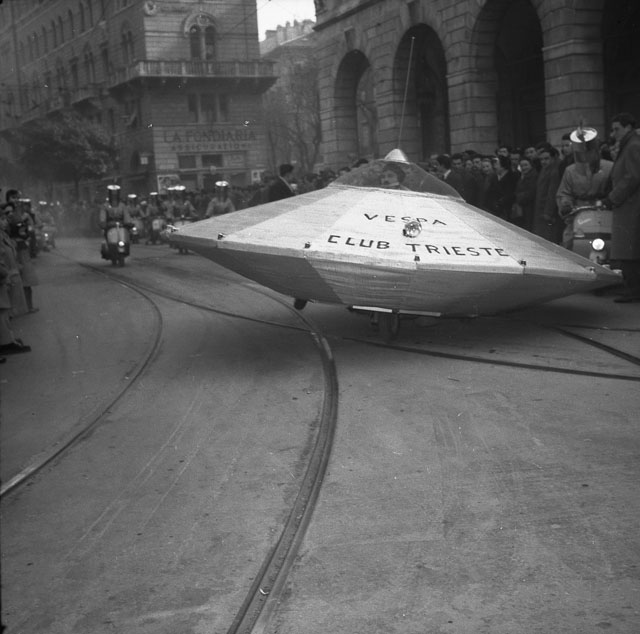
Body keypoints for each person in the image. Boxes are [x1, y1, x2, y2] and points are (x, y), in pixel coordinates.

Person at [602, 112, 640, 302]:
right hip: (628, 205)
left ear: (628, 127)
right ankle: (632, 288)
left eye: (617, 129)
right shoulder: (630, 144)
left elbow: (633, 176)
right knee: (629, 248)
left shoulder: (633, 145)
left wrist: (613, 197)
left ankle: (634, 289)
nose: (613, 133)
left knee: (629, 248)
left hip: (630, 205)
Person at [556, 126, 613, 248]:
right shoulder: (570, 170)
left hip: (605, 212)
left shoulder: (609, 167)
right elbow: (564, 193)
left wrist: (608, 201)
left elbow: (615, 189)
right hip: (578, 214)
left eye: (588, 151)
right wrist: (566, 204)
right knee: (569, 244)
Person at [4, 189, 39, 313]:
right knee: (12, 280)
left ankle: (29, 306)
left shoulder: (25, 214)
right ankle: (12, 310)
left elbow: (31, 229)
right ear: (8, 199)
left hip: (22, 248)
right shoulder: (6, 213)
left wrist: (28, 232)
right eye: (13, 198)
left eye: (18, 198)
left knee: (27, 279)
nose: (16, 200)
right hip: (10, 250)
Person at [532, 144, 562, 242]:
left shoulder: (554, 172)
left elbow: (552, 193)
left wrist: (548, 213)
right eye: (541, 159)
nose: (543, 162)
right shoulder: (544, 170)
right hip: (540, 209)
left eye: (546, 159)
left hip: (548, 212)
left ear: (553, 158)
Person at [484, 155, 519, 220]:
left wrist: (498, 204)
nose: (494, 166)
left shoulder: (512, 177)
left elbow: (510, 195)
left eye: (496, 164)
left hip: (506, 212)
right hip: (493, 210)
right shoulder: (494, 177)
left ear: (503, 166)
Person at [512, 157, 538, 229]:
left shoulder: (533, 176)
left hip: (529, 207)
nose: (523, 167)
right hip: (522, 207)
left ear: (531, 165)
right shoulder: (522, 175)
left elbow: (531, 192)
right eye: (521, 166)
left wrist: (519, 197)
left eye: (526, 165)